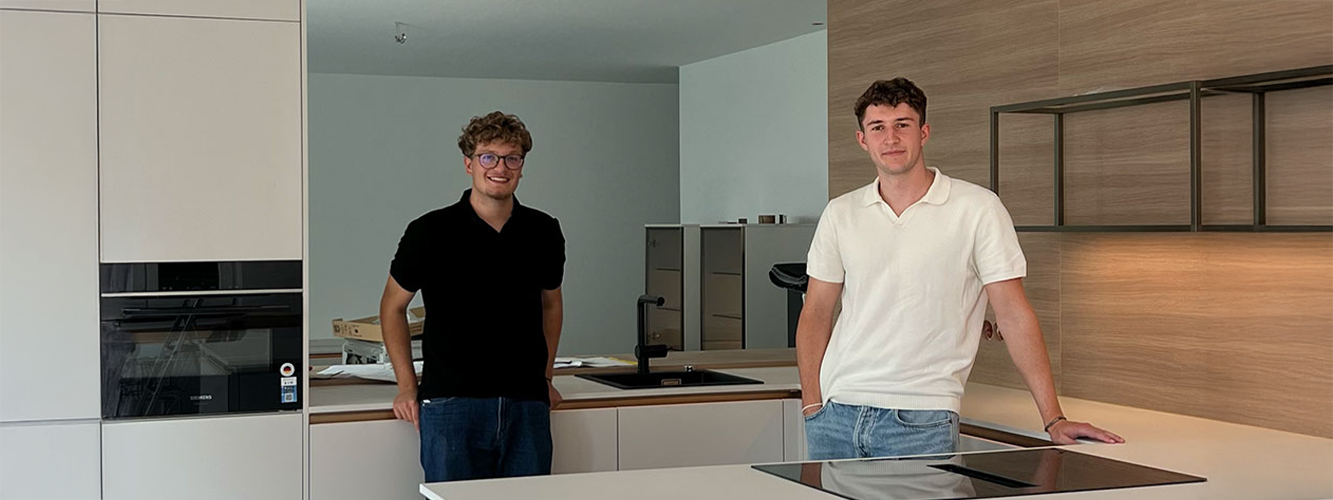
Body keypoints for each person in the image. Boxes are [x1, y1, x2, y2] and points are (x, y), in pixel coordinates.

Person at [797, 78, 1123, 460]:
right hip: (835, 416)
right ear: (862, 139)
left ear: (924, 132)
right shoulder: (840, 213)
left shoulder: (977, 209)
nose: (891, 138)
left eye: (903, 124)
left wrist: (1053, 418)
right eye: (878, 127)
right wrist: (811, 405)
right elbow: (816, 312)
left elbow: (1014, 315)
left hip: (922, 418)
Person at [379, 111, 566, 481]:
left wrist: (544, 379)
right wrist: (406, 387)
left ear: (522, 166)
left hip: (526, 403)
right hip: (451, 403)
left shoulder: (543, 230)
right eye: (488, 157)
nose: (500, 167)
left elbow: (551, 305)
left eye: (512, 158)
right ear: (469, 164)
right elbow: (392, 307)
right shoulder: (429, 232)